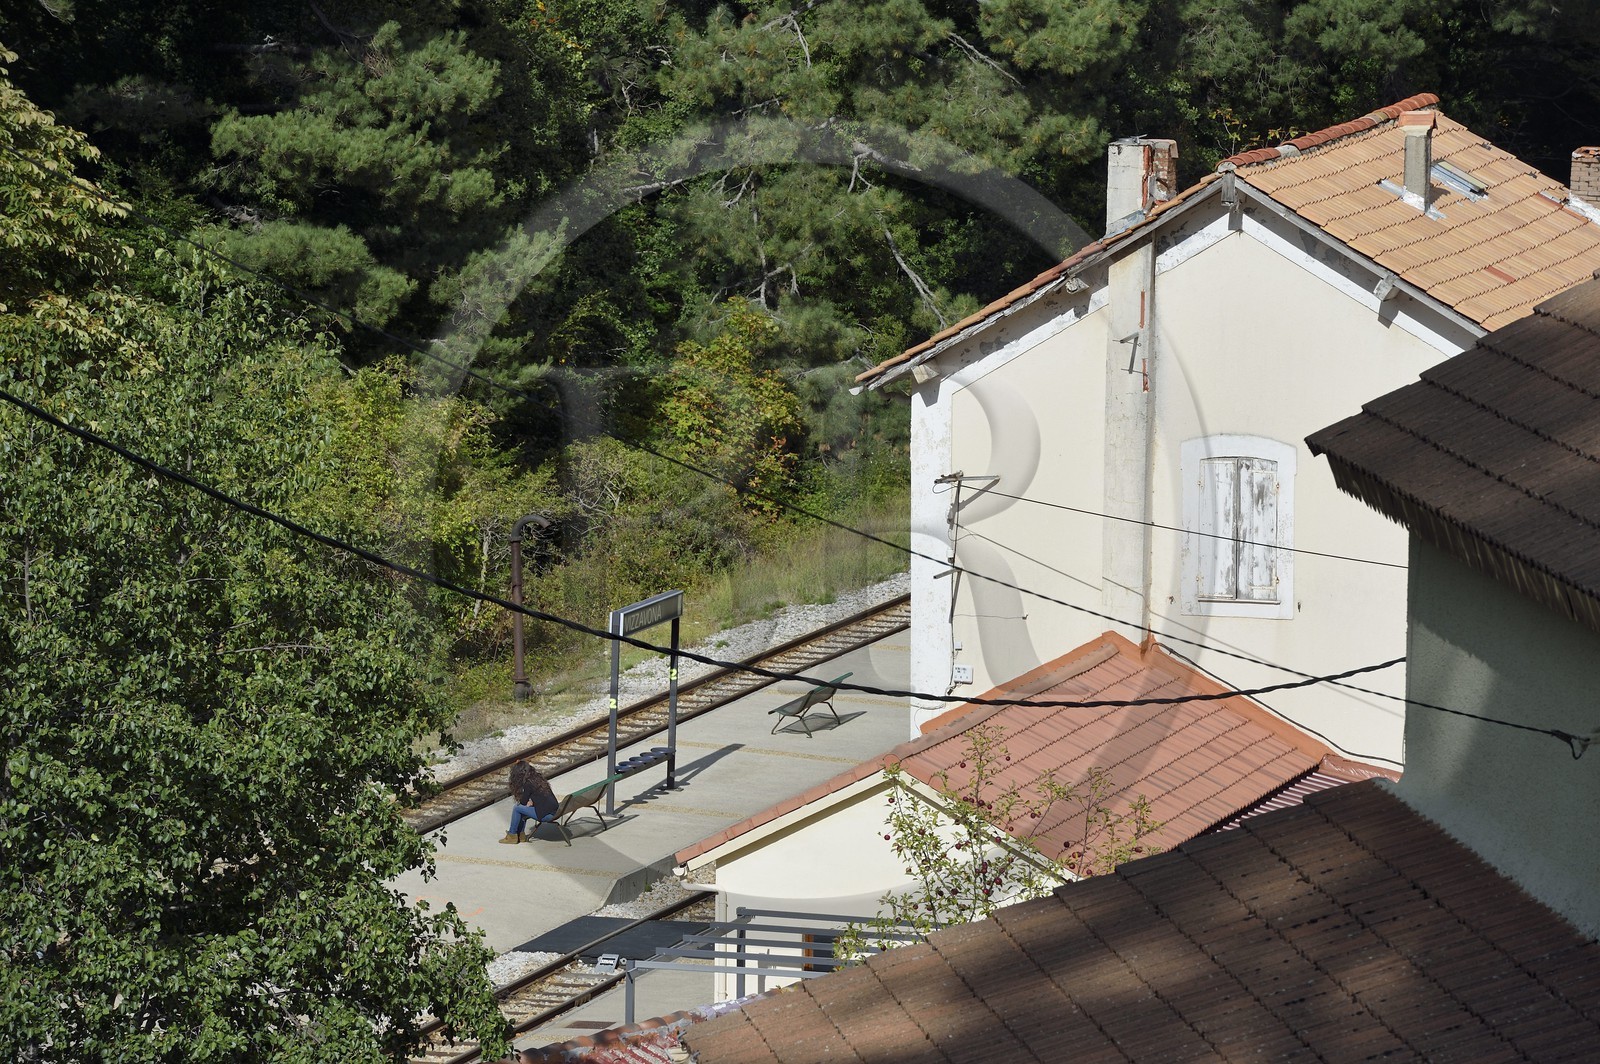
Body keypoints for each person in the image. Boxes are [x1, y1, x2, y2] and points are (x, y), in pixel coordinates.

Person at [500, 759, 558, 844]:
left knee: (517, 808)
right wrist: (532, 802)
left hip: (546, 815)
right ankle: (520, 835)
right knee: (523, 809)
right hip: (554, 811)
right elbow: (540, 796)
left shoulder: (528, 783)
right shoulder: (538, 778)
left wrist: (528, 802)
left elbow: (523, 802)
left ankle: (512, 835)